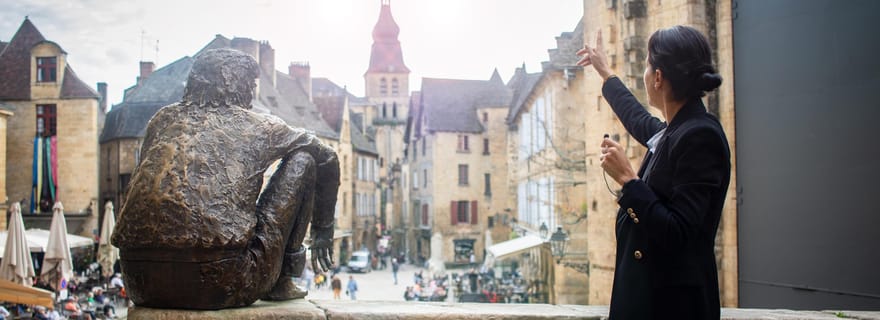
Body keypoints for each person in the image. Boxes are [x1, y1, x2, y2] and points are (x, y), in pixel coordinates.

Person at [112, 49, 339, 309]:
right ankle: (282, 282)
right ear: (237, 85)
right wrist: (323, 230)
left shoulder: (161, 120)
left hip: (141, 283)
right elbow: (328, 157)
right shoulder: (260, 126)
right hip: (220, 282)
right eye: (250, 85)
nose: (252, 95)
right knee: (304, 160)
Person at [577, 25, 729, 319]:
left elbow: (679, 233)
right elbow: (638, 120)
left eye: (647, 66)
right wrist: (606, 74)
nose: (645, 74)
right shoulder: (678, 129)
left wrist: (628, 180)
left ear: (658, 77)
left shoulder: (700, 136)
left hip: (672, 308)